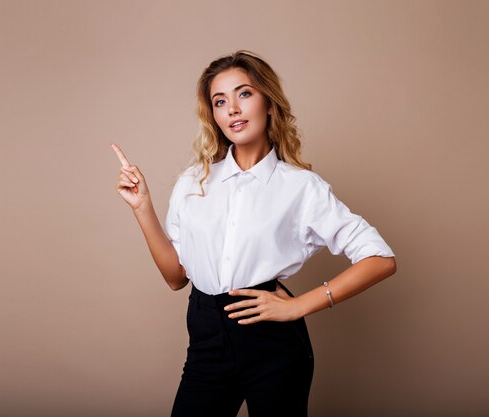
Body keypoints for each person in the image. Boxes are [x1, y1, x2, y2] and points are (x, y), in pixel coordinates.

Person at [111, 50, 397, 417]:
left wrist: (300, 305)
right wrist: (143, 208)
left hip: (273, 344)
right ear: (212, 115)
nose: (232, 108)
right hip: (206, 339)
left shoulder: (301, 187)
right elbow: (175, 277)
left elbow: (381, 259)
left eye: (243, 94)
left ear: (268, 102)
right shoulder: (193, 182)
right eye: (220, 101)